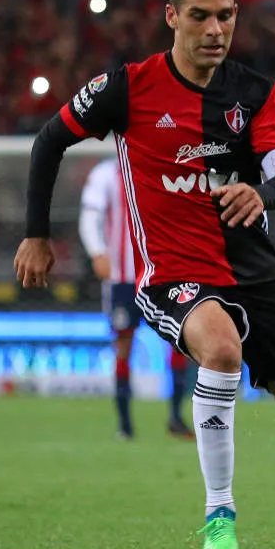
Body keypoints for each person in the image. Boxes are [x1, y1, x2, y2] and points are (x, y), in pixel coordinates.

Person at [13, 0, 275, 549]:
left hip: (257, 275)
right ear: (172, 15)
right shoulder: (126, 88)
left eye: (225, 15)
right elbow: (50, 141)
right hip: (173, 274)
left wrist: (262, 192)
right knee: (221, 349)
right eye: (199, 16)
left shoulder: (254, 92)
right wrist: (37, 235)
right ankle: (219, 513)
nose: (214, 29)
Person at [78, 157, 195, 440]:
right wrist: (97, 252)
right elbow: (90, 217)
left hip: (164, 275)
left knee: (179, 342)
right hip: (123, 279)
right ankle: (125, 424)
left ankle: (176, 418)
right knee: (123, 345)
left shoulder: (164, 166)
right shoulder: (106, 174)